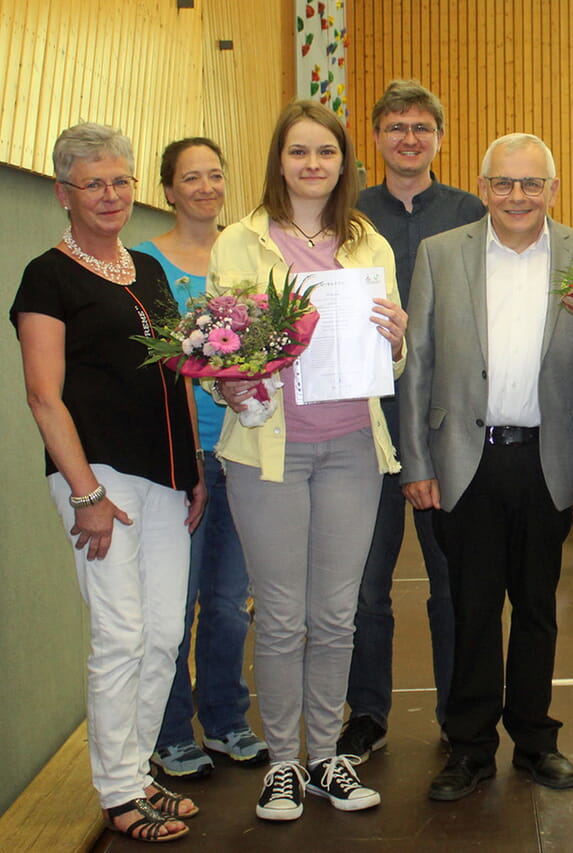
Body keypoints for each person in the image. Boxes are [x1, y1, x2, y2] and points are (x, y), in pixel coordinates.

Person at [400, 133, 573, 802]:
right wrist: (416, 459)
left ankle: (535, 738)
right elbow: (417, 365)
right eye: (504, 183)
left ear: (553, 190)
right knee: (470, 606)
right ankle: (468, 746)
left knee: (537, 608)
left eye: (531, 184)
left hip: (547, 461)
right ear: (483, 185)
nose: (517, 196)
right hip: (465, 460)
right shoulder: (440, 255)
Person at [208, 100, 407, 821]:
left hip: (354, 446)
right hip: (269, 451)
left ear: (345, 163)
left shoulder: (369, 244)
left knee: (337, 614)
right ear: (279, 160)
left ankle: (326, 756)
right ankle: (282, 764)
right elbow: (220, 342)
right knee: (284, 615)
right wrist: (230, 378)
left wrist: (396, 337)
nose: (313, 164)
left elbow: (390, 353)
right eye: (299, 152)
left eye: (325, 152)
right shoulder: (240, 241)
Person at [11, 122, 205, 842]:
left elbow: (177, 370)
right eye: (93, 183)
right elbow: (43, 395)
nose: (110, 194)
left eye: (120, 180)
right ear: (64, 193)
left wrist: (193, 471)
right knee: (120, 635)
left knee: (161, 635)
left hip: (166, 479)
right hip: (101, 483)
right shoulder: (47, 276)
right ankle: (118, 791)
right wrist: (86, 493)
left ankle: (137, 766)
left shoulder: (148, 271)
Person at [338, 79, 486, 763]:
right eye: (395, 126)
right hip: (364, 425)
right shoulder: (346, 214)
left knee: (453, 581)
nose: (408, 138)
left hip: (446, 426)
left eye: (421, 127)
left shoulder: (472, 213)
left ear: (439, 138)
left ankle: (462, 713)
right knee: (367, 585)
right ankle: (366, 711)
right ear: (375, 136)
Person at [135, 137, 269, 779]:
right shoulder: (147, 263)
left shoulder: (244, 252)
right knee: (175, 601)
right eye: (191, 177)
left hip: (240, 449)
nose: (206, 186)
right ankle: (171, 732)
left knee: (227, 600)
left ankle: (225, 721)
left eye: (216, 174)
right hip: (179, 459)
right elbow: (161, 370)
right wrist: (186, 456)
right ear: (167, 188)